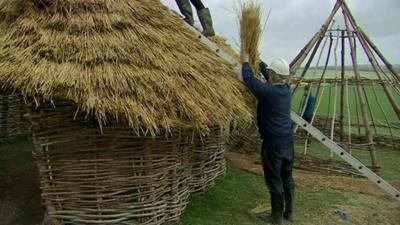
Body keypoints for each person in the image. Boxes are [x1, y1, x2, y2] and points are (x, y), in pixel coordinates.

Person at [241, 52, 295, 225]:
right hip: (288, 141)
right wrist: (261, 63)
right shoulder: (286, 89)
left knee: (274, 178)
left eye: (270, 74)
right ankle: (289, 212)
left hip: (273, 144)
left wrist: (246, 63)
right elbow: (269, 77)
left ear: (273, 77)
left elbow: (250, 81)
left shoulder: (268, 92)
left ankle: (276, 216)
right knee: (286, 176)